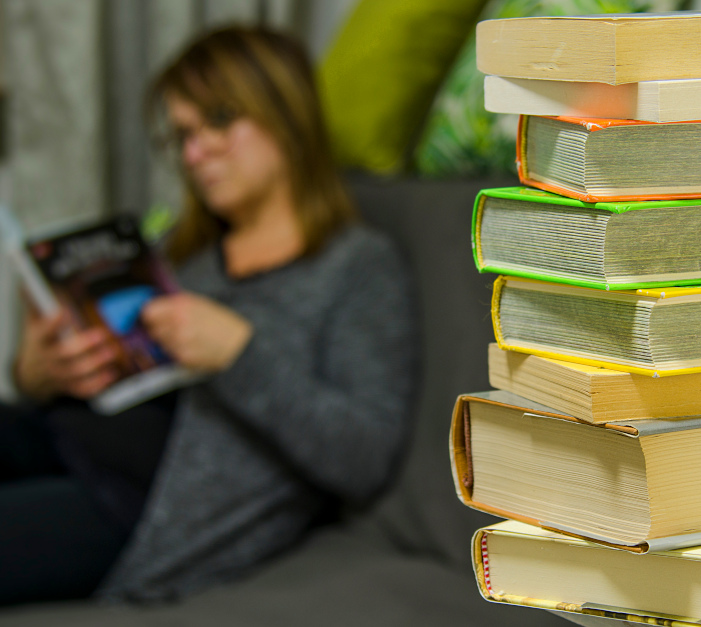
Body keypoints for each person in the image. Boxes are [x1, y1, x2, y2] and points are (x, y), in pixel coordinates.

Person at [3, 26, 417, 604]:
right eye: (184, 136)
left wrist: (238, 354)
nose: (196, 155)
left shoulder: (357, 266)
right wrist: (37, 373)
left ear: (283, 109)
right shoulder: (184, 253)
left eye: (218, 121)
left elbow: (364, 455)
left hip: (132, 504)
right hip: (57, 434)